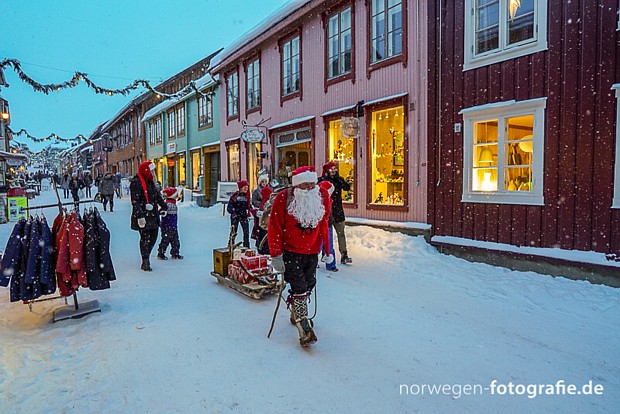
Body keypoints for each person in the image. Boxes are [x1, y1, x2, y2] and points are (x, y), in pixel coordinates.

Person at [268, 166, 333, 346]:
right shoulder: (283, 198)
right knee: (299, 285)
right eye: (305, 185)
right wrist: (276, 255)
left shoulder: (322, 196)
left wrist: (327, 249)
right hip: (290, 251)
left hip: (312, 250)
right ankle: (303, 324)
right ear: (297, 185)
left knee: (310, 282)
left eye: (312, 184)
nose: (310, 188)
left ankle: (296, 310)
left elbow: (324, 222)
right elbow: (274, 226)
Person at [130, 161, 168, 271]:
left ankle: (147, 254)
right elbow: (135, 200)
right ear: (146, 170)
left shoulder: (150, 182)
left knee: (154, 237)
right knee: (145, 238)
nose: (153, 172)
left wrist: (164, 206)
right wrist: (141, 214)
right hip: (143, 215)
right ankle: (145, 260)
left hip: (153, 214)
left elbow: (157, 195)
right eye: (151, 170)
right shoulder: (136, 182)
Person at [318, 161, 353, 264]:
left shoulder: (338, 180)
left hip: (338, 211)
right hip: (326, 212)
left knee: (341, 233)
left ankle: (344, 254)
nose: (333, 171)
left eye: (335, 169)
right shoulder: (321, 180)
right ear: (326, 170)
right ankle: (325, 253)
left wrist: (342, 181)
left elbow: (347, 187)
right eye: (331, 169)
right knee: (325, 234)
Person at [157, 187, 183, 260]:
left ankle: (175, 253)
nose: (177, 195)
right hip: (167, 226)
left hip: (172, 226)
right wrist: (162, 213)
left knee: (175, 241)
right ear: (173, 195)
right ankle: (161, 253)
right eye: (176, 194)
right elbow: (161, 212)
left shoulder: (172, 204)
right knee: (166, 240)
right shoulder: (167, 204)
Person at [318, 180, 338, 272]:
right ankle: (312, 262)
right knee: (320, 244)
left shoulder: (328, 200)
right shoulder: (321, 201)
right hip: (320, 225)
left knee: (328, 244)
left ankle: (331, 264)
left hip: (327, 224)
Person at [227, 180, 251, 248]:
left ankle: (246, 246)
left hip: (243, 216)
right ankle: (231, 244)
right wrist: (233, 212)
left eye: (247, 187)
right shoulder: (235, 196)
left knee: (246, 232)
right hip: (235, 216)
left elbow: (248, 206)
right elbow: (229, 207)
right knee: (233, 231)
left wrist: (251, 210)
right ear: (240, 188)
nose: (246, 189)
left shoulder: (247, 196)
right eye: (244, 187)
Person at [250, 173, 269, 242]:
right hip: (259, 211)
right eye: (262, 181)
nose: (264, 183)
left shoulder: (270, 190)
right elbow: (254, 201)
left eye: (265, 181)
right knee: (259, 227)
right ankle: (259, 241)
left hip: (267, 211)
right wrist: (261, 204)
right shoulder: (256, 191)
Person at [255, 185, 273, 255]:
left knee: (264, 242)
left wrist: (260, 214)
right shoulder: (265, 201)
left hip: (265, 226)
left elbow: (267, 213)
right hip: (263, 225)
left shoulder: (268, 202)